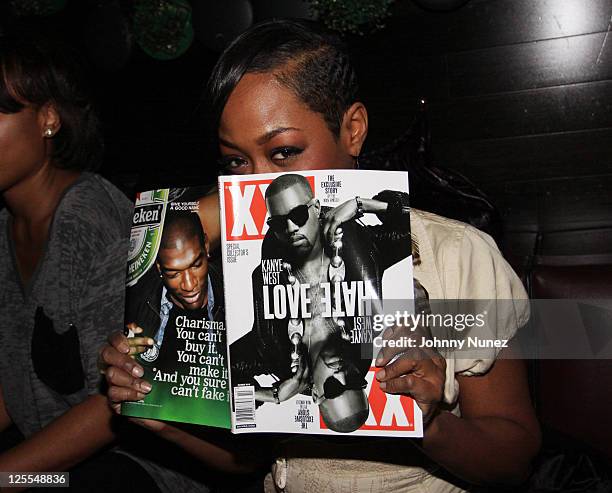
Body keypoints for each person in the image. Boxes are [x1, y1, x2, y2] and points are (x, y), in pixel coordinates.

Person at [101, 19, 541, 492]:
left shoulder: (456, 255)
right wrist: (161, 410)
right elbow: (251, 459)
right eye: (235, 161)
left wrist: (429, 423)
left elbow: (513, 458)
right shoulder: (239, 268)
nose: (258, 183)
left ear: (352, 130)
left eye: (284, 152)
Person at [0, 33, 223, 493]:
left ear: (47, 120)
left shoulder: (90, 219)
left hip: (136, 462)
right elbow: (16, 379)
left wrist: (6, 476)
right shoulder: (6, 225)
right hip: (53, 460)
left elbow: (116, 401)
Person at [231, 173, 412, 432]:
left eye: (334, 387)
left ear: (316, 394)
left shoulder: (273, 354)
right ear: (316, 207)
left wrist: (272, 395)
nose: (342, 373)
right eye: (354, 380)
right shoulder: (365, 319)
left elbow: (212, 382)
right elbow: (417, 220)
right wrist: (360, 205)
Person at [126, 210, 224, 369]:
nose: (189, 285)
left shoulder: (237, 291)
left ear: (206, 246)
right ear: (159, 267)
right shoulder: (136, 303)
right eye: (174, 273)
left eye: (196, 265)